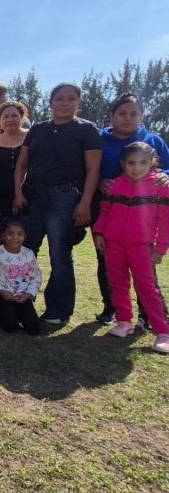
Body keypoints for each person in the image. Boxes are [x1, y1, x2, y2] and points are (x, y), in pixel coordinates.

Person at [14, 83, 103, 325]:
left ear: (78, 102)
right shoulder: (38, 129)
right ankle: (21, 302)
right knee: (25, 250)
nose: (65, 103)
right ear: (51, 102)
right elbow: (22, 163)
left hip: (65, 195)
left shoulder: (86, 130)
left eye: (71, 98)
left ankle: (58, 310)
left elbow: (93, 170)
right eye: (59, 98)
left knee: (59, 253)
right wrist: (18, 192)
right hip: (33, 195)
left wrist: (85, 203)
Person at [94, 93, 169, 324]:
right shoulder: (99, 140)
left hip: (145, 214)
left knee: (144, 269)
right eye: (122, 113)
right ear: (112, 116)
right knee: (107, 263)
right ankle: (113, 309)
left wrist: (166, 177)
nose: (127, 118)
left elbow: (167, 168)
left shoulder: (153, 140)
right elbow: (89, 167)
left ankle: (148, 315)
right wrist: (99, 182)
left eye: (133, 113)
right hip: (110, 209)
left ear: (141, 116)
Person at [93, 142, 169, 354]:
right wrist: (99, 232)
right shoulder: (115, 185)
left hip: (143, 247)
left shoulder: (160, 186)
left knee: (147, 288)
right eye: (131, 163)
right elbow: (105, 210)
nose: (137, 168)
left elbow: (165, 222)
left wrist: (161, 249)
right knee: (117, 283)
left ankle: (163, 331)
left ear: (152, 162)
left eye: (143, 163)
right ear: (123, 164)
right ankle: (124, 321)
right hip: (114, 244)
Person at [0, 217, 42, 335]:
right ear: (2, 236)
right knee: (11, 327)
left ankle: (20, 312)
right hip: (3, 295)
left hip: (23, 296)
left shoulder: (29, 254)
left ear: (25, 236)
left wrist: (28, 294)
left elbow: (36, 277)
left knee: (35, 329)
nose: (15, 237)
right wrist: (0, 291)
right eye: (10, 234)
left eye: (19, 234)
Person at [0, 101, 30, 233]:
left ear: (22, 118)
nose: (10, 119)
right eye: (5, 116)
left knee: (28, 238)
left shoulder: (32, 137)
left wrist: (19, 194)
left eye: (14, 115)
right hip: (0, 202)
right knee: (5, 237)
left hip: (29, 198)